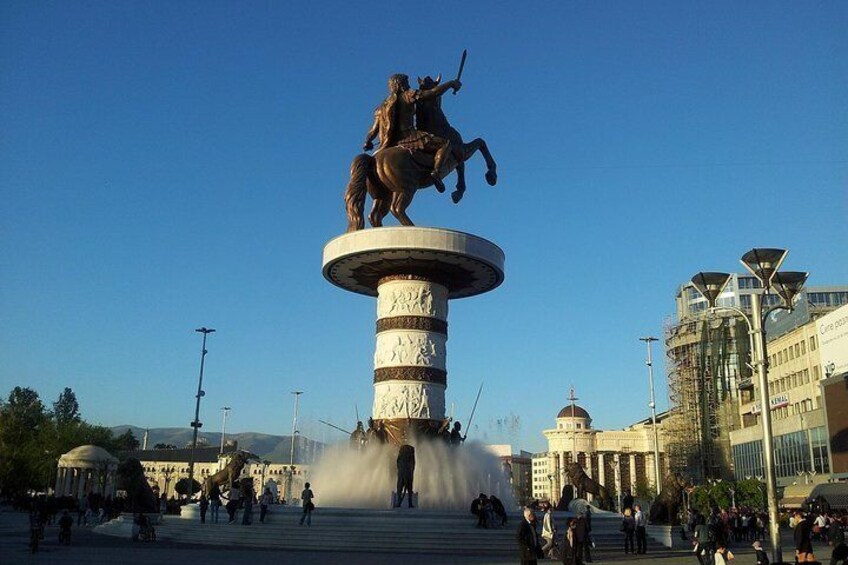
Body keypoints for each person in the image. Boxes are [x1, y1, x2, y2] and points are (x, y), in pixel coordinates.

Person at [362, 73, 463, 194]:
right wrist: (451, 83)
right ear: (401, 85)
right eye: (407, 83)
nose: (409, 85)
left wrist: (367, 142)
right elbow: (432, 93)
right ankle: (436, 173)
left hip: (392, 142)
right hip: (410, 137)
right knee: (445, 144)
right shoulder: (407, 95)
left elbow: (373, 131)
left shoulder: (382, 107)